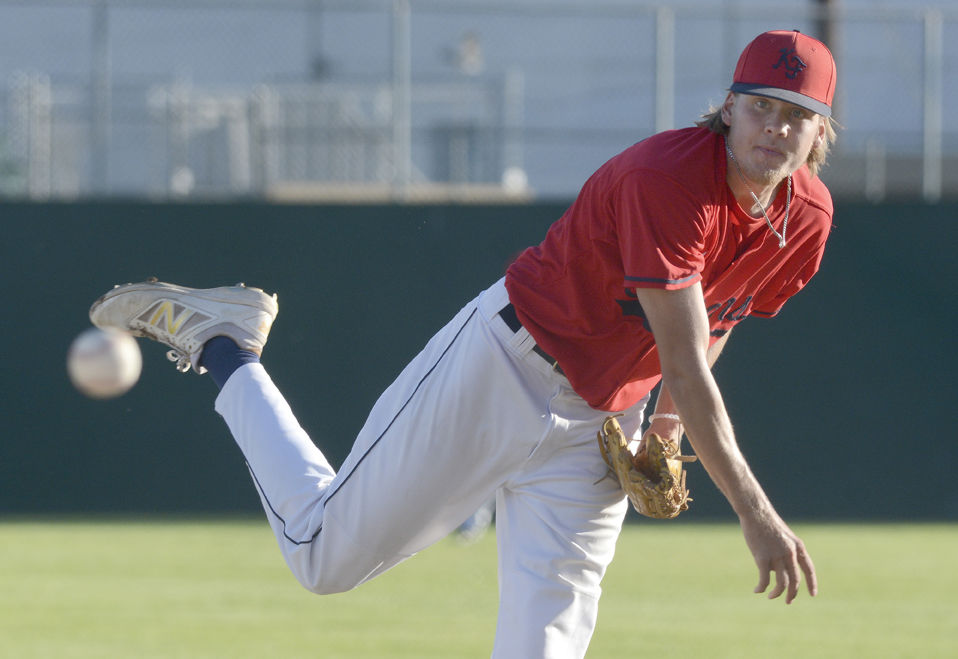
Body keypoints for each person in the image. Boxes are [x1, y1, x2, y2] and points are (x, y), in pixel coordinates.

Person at [90, 30, 837, 658]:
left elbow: (718, 321)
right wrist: (755, 512)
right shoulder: (668, 181)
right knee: (322, 557)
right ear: (729, 107)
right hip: (506, 369)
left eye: (795, 115)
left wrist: (666, 434)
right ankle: (226, 344)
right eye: (761, 107)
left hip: (602, 425)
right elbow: (683, 357)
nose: (774, 127)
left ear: (820, 130)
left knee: (545, 645)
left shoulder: (806, 219)